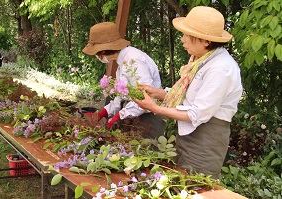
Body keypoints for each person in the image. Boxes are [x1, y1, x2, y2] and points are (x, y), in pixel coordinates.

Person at [134, 6, 243, 179]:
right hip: (190, 135)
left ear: (205, 41)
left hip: (205, 140)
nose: (183, 40)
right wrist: (159, 93)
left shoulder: (220, 69)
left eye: (187, 35)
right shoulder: (202, 60)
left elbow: (197, 113)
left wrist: (156, 108)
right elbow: (190, 96)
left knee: (197, 187)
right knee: (181, 184)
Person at [82, 22, 166, 139]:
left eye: (97, 53)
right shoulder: (122, 62)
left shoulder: (134, 60)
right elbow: (123, 96)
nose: (97, 57)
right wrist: (104, 113)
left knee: (145, 153)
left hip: (149, 117)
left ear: (104, 51)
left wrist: (119, 116)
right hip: (136, 115)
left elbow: (146, 97)